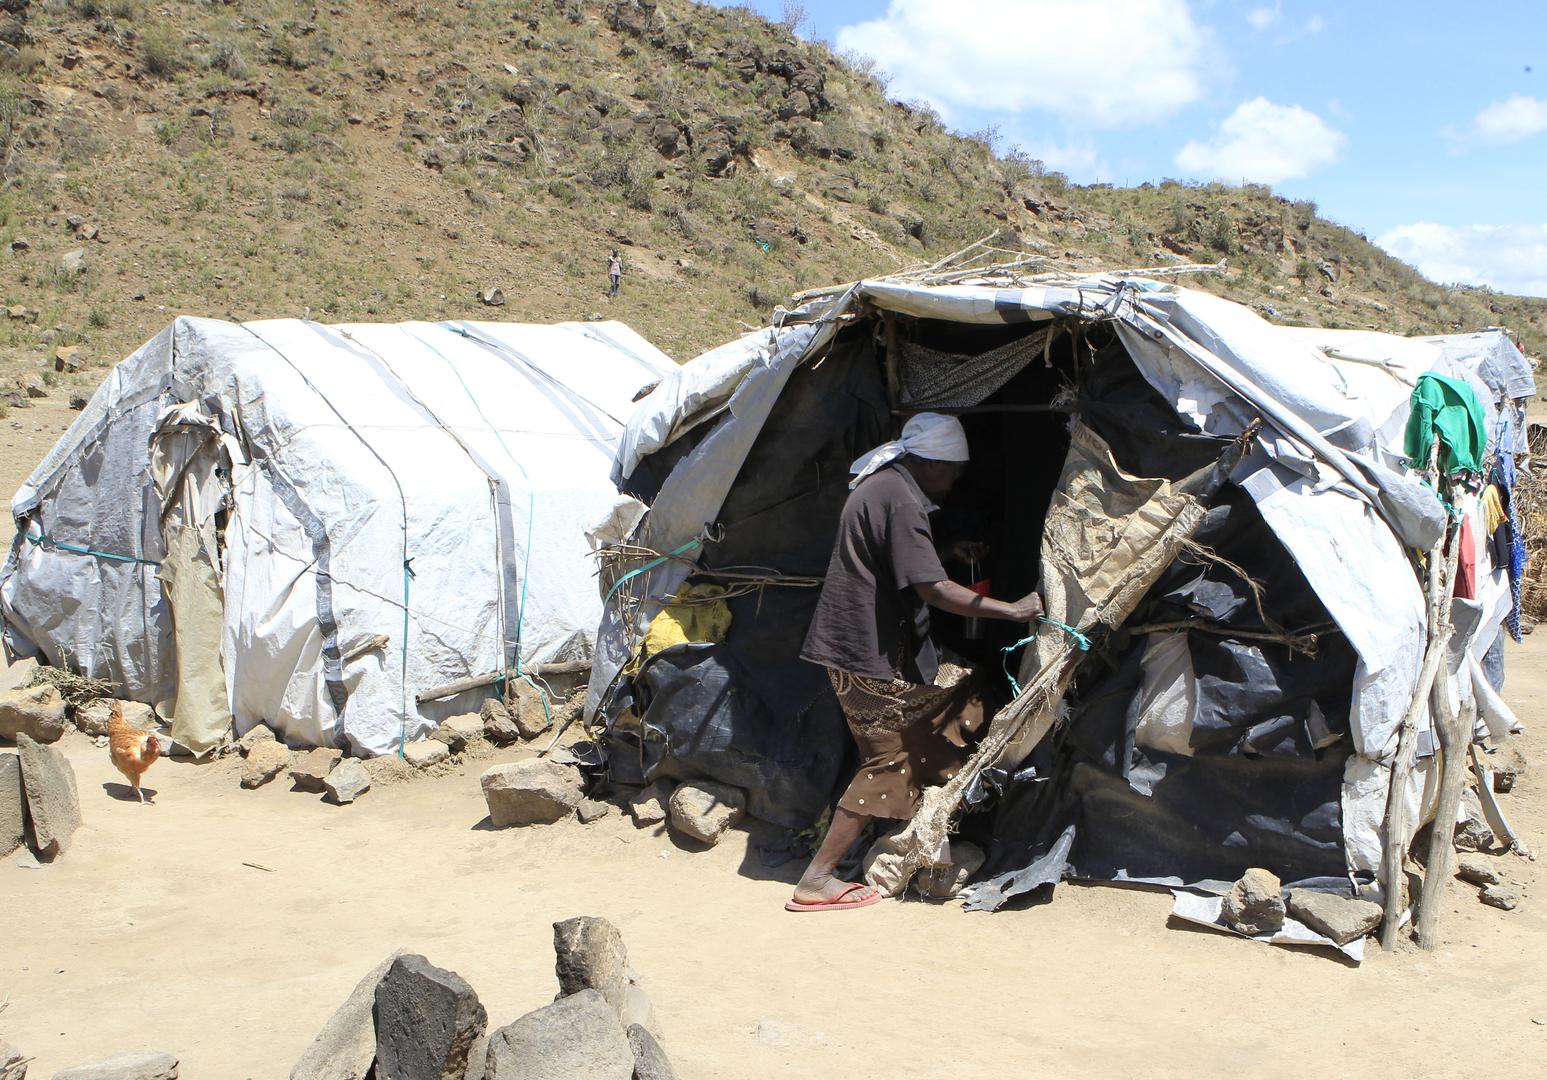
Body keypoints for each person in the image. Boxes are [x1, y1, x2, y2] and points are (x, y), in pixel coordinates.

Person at [787, 412, 1043, 912]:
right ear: (930, 463)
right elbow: (935, 590)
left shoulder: (883, 488)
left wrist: (943, 548)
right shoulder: (900, 498)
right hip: (862, 649)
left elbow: (892, 556)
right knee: (892, 757)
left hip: (857, 645)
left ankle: (909, 829)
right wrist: (1010, 609)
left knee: (957, 702)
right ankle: (816, 878)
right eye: (951, 472)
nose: (953, 483)